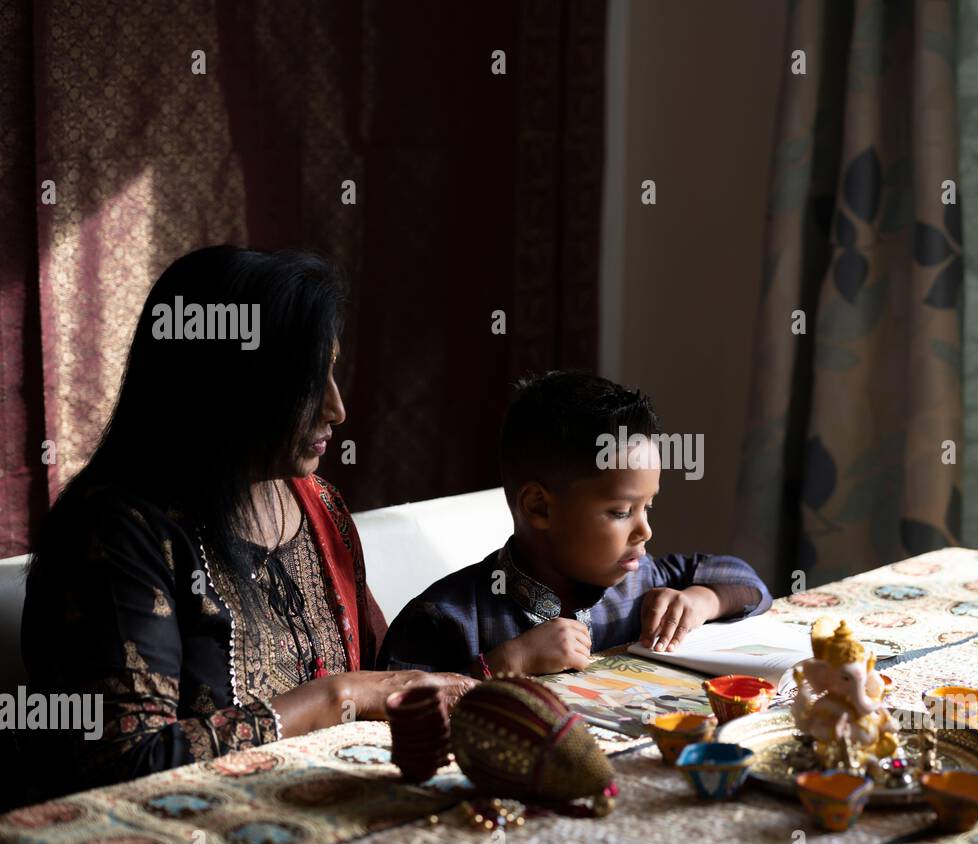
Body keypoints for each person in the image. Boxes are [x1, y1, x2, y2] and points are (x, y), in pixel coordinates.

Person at [16, 246, 441, 806]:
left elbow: (384, 678)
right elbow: (125, 764)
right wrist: (333, 694)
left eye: (331, 371)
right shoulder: (115, 534)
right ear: (227, 386)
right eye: (308, 382)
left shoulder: (318, 505)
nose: (336, 409)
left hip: (322, 813)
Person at [379, 371, 772, 677]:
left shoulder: (642, 584)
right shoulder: (444, 620)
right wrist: (503, 664)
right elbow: (384, 720)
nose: (645, 530)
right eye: (621, 512)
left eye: (647, 507)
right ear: (540, 508)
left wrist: (702, 600)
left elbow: (749, 584)